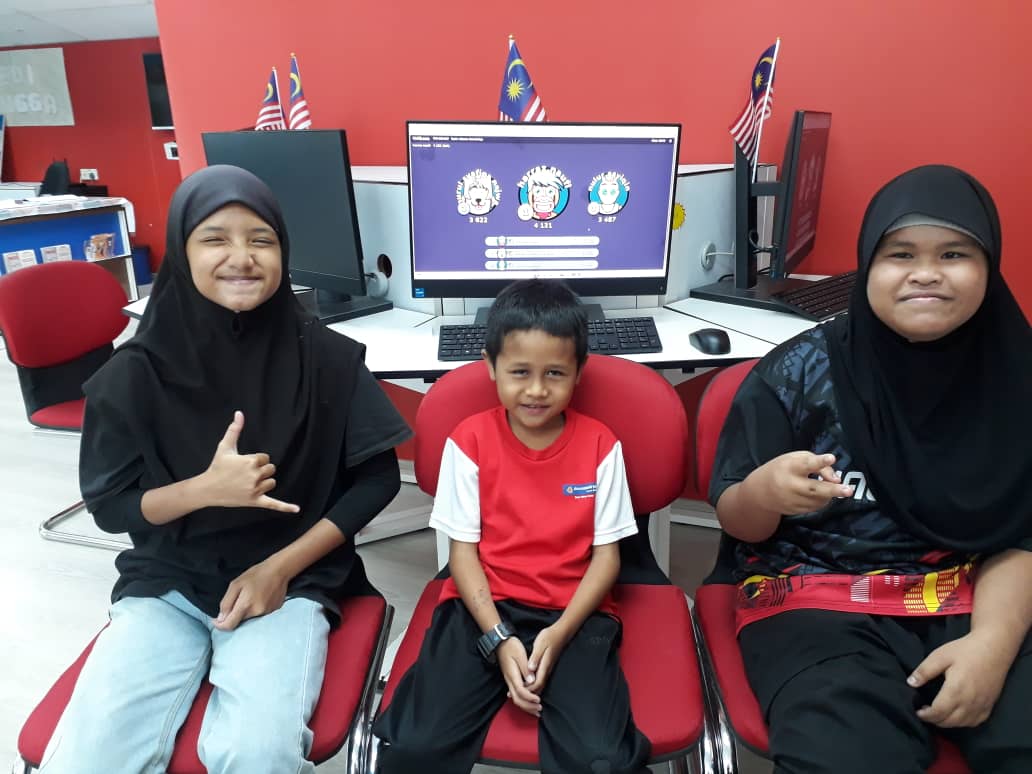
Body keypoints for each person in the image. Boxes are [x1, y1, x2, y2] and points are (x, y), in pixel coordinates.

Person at [39, 164, 411, 773]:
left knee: (257, 752)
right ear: (182, 250)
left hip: (291, 580)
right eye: (215, 238)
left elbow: (378, 479)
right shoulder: (132, 375)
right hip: (168, 581)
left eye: (261, 239)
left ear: (283, 251)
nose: (242, 257)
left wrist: (278, 569)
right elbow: (110, 506)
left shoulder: (327, 358)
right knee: (92, 754)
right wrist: (203, 490)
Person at [708, 165, 1032, 773]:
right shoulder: (798, 373)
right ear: (867, 264)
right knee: (846, 753)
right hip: (818, 601)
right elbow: (738, 521)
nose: (926, 272)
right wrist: (765, 492)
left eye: (954, 253)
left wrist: (992, 645)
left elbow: (1023, 536)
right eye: (900, 253)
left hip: (980, 596)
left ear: (989, 265)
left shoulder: (1016, 378)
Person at [373, 279, 651, 774]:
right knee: (417, 747)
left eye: (555, 373)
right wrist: (499, 638)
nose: (537, 390)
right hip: (482, 606)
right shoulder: (469, 441)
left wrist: (559, 634)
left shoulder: (600, 445)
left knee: (600, 760)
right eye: (520, 372)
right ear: (491, 366)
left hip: (574, 610)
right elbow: (462, 554)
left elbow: (607, 559)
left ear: (579, 372)